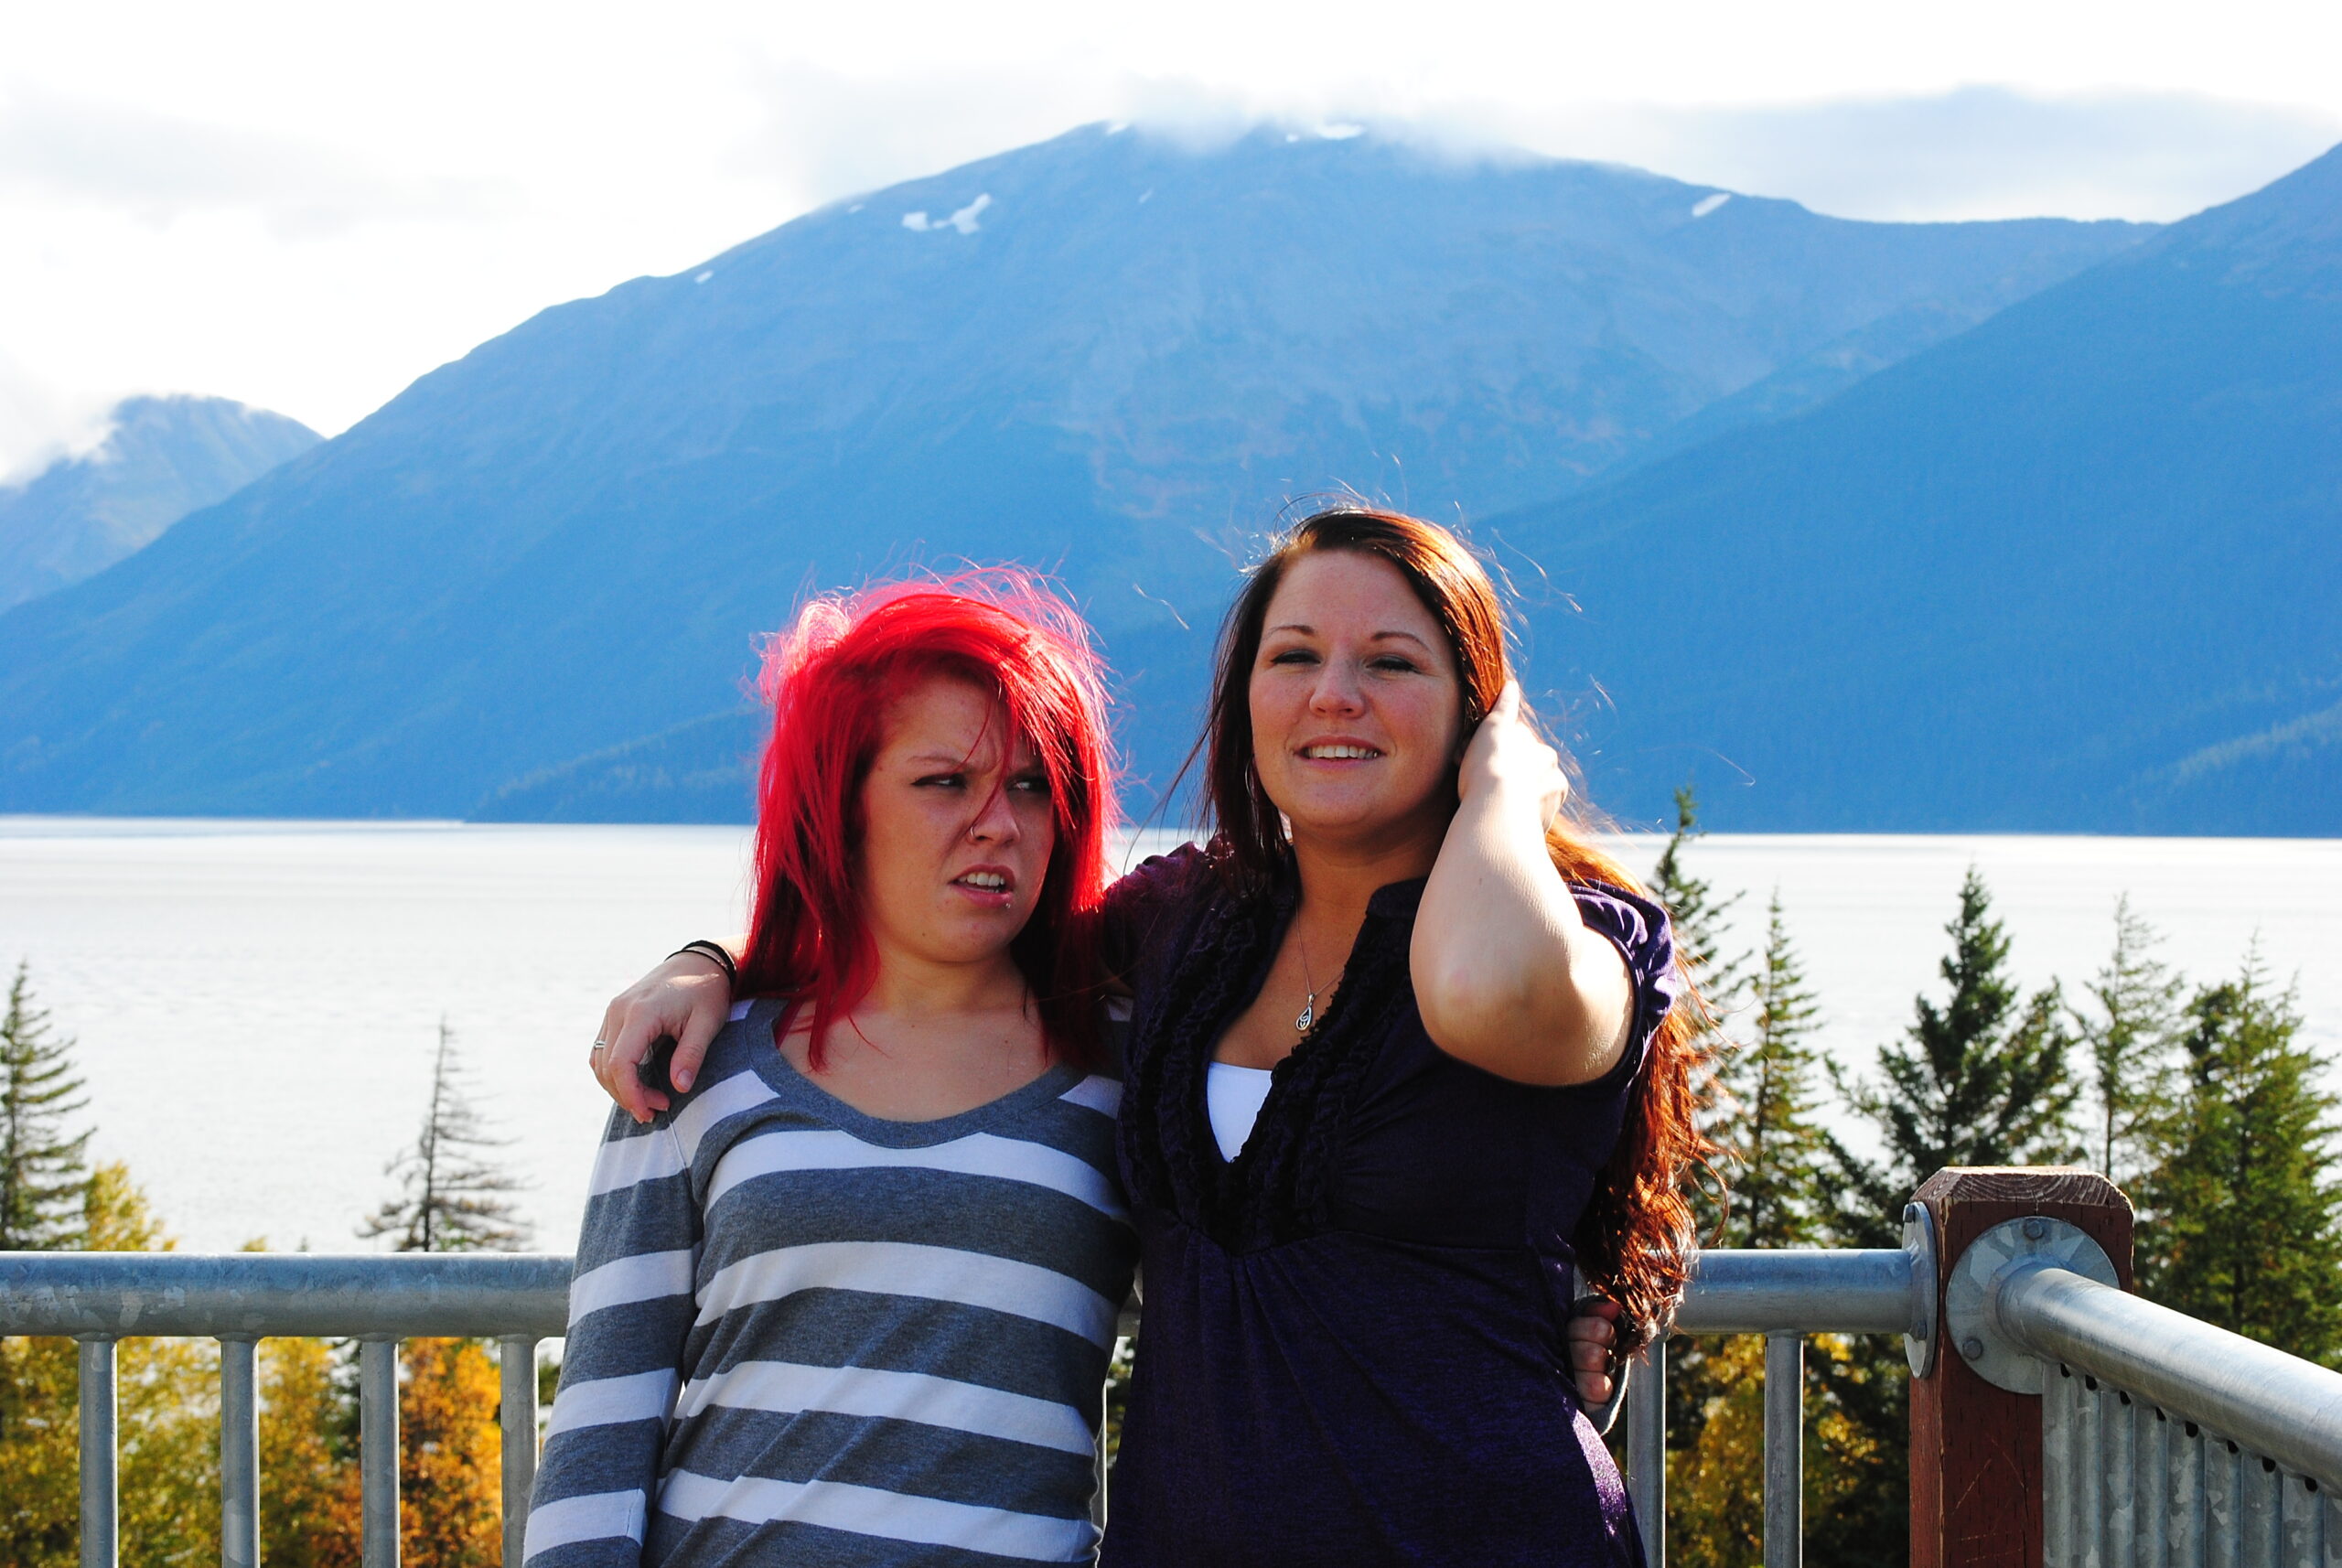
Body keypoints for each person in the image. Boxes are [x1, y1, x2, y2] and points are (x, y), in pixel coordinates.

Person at [594, 508, 1710, 1563]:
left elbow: (1478, 986)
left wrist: (1506, 792)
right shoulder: (1187, 929)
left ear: (1475, 707)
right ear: (1243, 696)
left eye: (1392, 663)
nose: (1335, 695)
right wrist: (719, 962)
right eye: (1293, 655)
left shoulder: (1583, 940)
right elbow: (946, 937)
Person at [523, 574, 1138, 1567]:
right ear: (840, 808)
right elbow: (601, 1424)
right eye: (945, 782)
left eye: (1032, 784)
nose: (999, 822)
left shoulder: (1127, 1068)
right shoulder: (700, 1058)